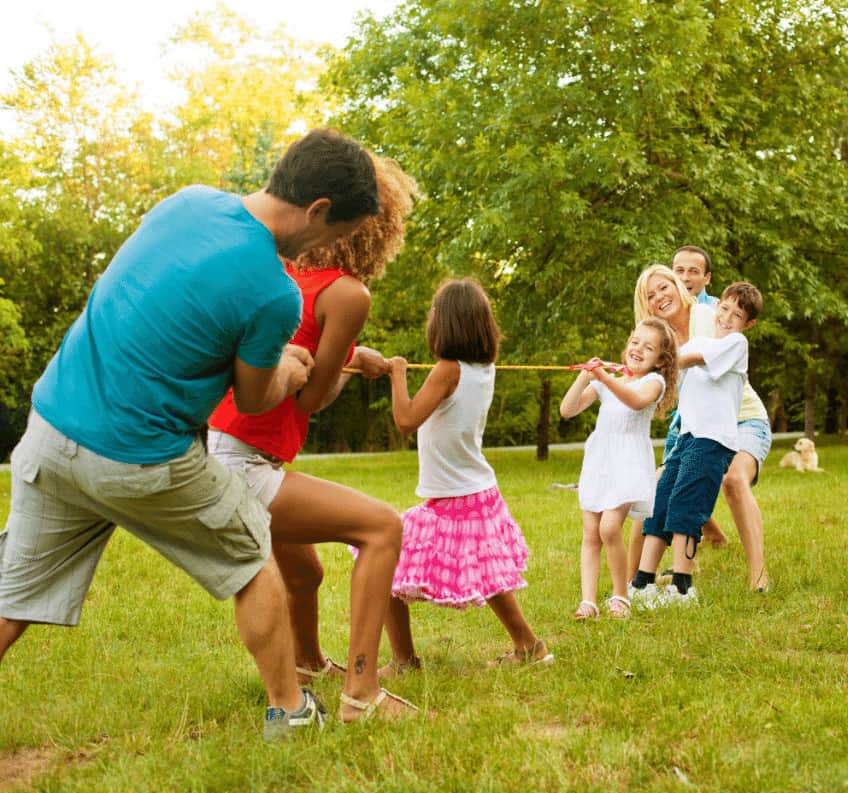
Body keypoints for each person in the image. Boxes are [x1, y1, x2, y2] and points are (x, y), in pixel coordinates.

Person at [0, 128, 379, 740]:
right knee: (253, 551)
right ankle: (290, 711)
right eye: (338, 235)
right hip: (137, 456)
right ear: (319, 211)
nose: (330, 249)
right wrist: (286, 367)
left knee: (12, 594)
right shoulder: (275, 293)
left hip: (50, 429)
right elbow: (253, 398)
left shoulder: (186, 202)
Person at [206, 153, 422, 722]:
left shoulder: (281, 272)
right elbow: (312, 395)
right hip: (245, 463)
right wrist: (345, 363)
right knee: (382, 526)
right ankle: (362, 691)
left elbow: (298, 347)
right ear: (375, 228)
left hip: (216, 446)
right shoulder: (349, 295)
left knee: (306, 572)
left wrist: (351, 355)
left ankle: (305, 663)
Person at [382, 278, 553, 664]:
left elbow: (407, 420)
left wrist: (397, 373)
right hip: (475, 490)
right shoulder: (482, 367)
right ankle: (530, 646)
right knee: (490, 578)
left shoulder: (448, 369)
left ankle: (404, 662)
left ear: (447, 322)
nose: (430, 318)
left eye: (434, 312)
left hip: (458, 496)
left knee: (379, 558)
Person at [629, 282, 763, 608]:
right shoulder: (701, 339)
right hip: (686, 438)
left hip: (712, 442)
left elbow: (692, 359)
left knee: (686, 508)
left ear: (748, 323)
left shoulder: (736, 344)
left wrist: (658, 360)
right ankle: (642, 583)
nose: (727, 318)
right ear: (718, 307)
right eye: (725, 309)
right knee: (660, 504)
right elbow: (666, 381)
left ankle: (682, 588)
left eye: (737, 314)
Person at [559, 318, 679, 620]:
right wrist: (585, 377)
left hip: (628, 463)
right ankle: (588, 601)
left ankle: (620, 595)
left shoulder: (653, 382)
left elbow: (636, 402)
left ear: (660, 360)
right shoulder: (608, 380)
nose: (638, 349)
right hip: (600, 461)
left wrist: (604, 377)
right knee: (591, 532)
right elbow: (568, 410)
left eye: (648, 347)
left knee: (609, 527)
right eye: (635, 342)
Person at [669, 245, 773, 592]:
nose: (682, 281)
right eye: (676, 273)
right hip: (698, 420)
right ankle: (705, 544)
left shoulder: (713, 314)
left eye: (691, 272)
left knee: (731, 480)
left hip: (744, 418)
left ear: (705, 279)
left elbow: (693, 358)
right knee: (668, 479)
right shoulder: (660, 325)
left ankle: (758, 574)